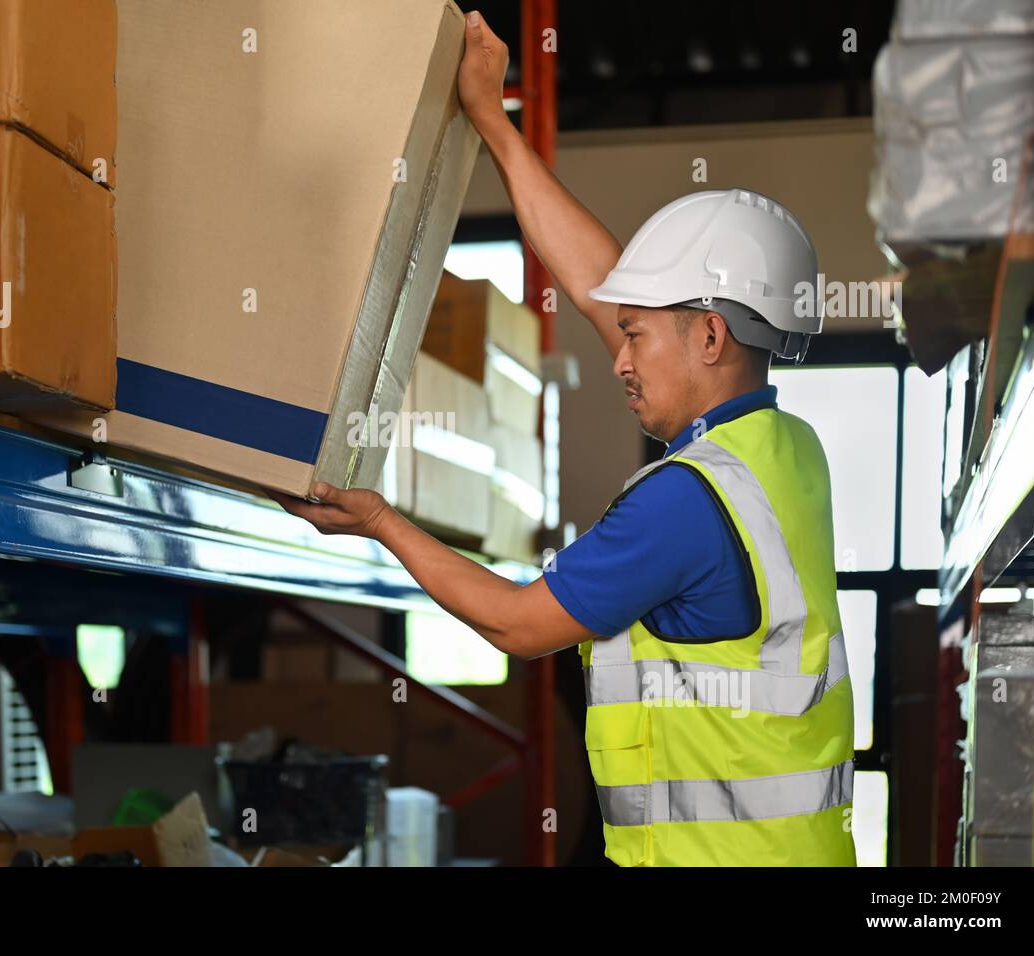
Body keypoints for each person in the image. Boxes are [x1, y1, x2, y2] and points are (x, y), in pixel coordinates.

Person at [269, 11, 855, 867]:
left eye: (635, 339)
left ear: (710, 338)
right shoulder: (786, 451)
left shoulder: (684, 503)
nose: (616, 359)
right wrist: (491, 121)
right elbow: (599, 285)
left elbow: (515, 625)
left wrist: (380, 523)